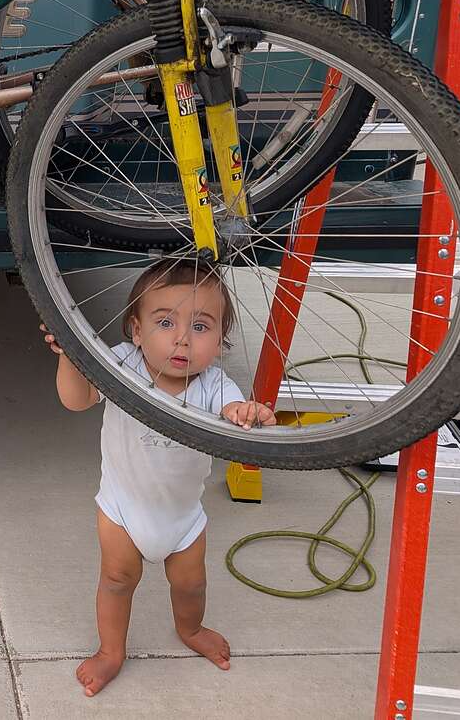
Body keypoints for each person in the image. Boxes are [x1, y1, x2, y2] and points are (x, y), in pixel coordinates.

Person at [42, 259, 275, 697]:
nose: (183, 338)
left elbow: (234, 415)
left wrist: (248, 415)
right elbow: (77, 401)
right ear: (135, 330)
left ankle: (191, 629)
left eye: (202, 327)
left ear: (221, 342)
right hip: (122, 510)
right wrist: (72, 361)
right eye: (165, 322)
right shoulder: (122, 365)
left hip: (183, 517)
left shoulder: (216, 385)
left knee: (191, 584)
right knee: (116, 580)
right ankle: (111, 651)